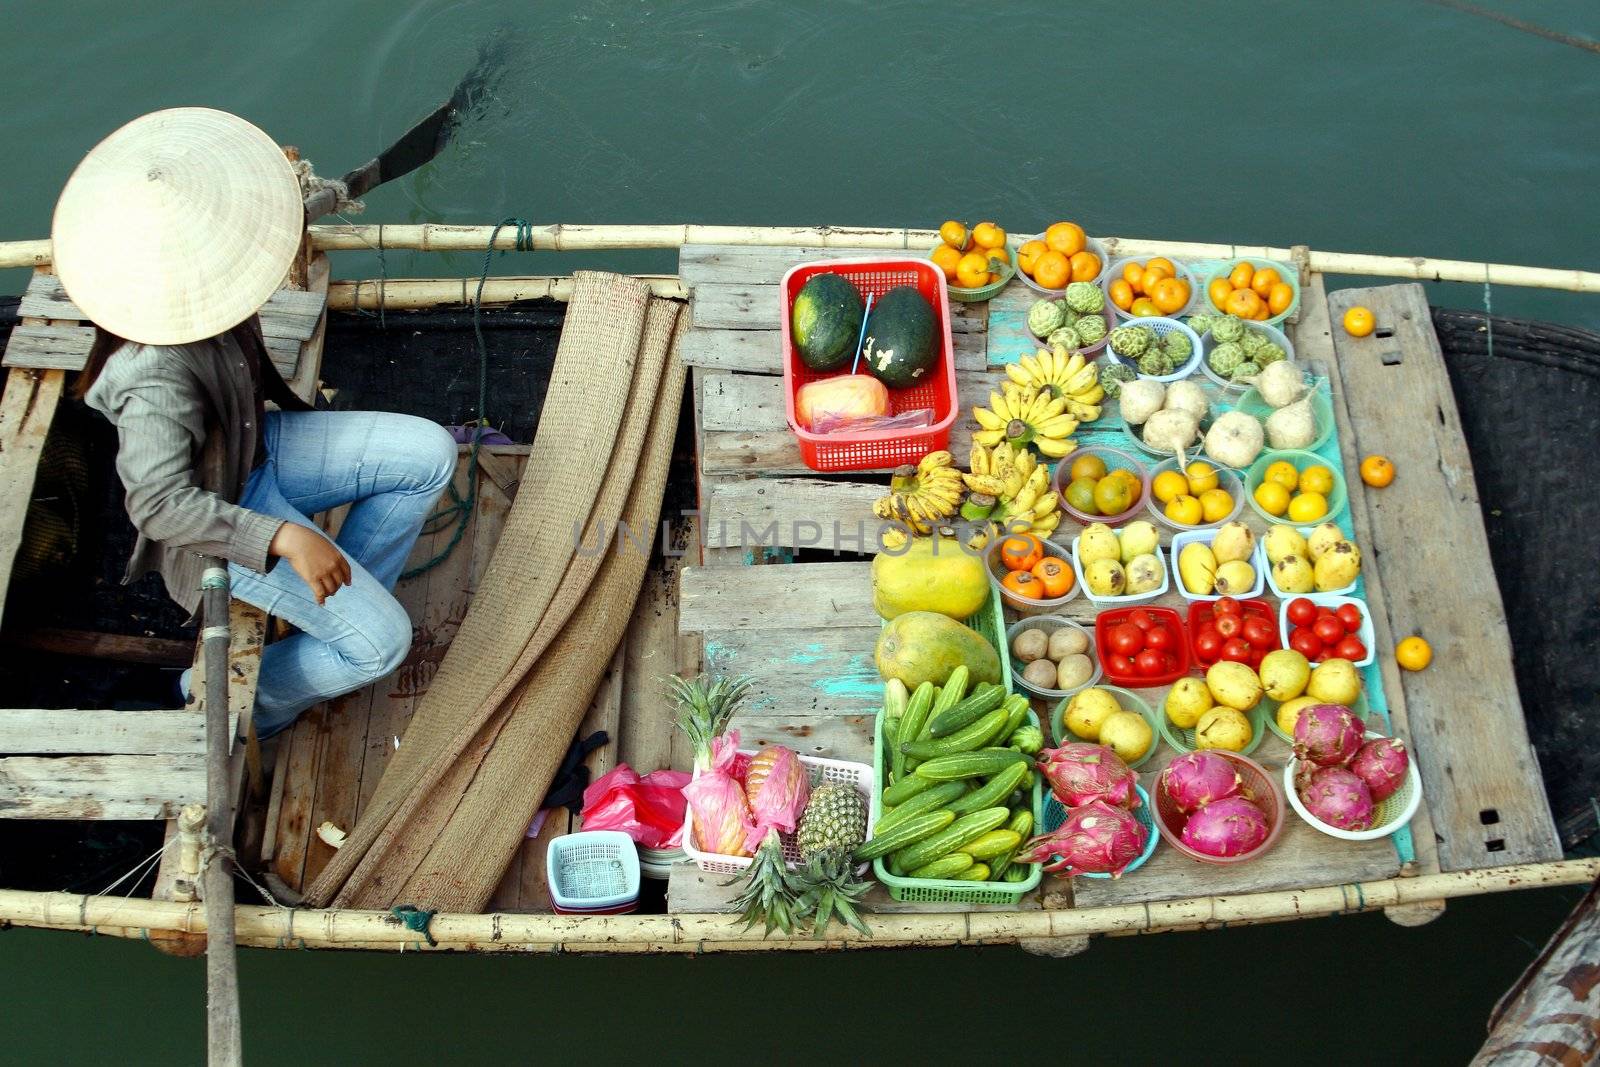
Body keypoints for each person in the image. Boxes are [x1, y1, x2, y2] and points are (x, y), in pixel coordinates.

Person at [55, 108, 457, 736]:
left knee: (429, 453)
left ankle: (336, 609)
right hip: (217, 514)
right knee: (382, 648)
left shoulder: (197, 272)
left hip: (255, 450)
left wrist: (335, 193)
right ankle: (244, 700)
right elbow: (158, 504)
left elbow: (272, 224)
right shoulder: (152, 374)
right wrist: (290, 539)